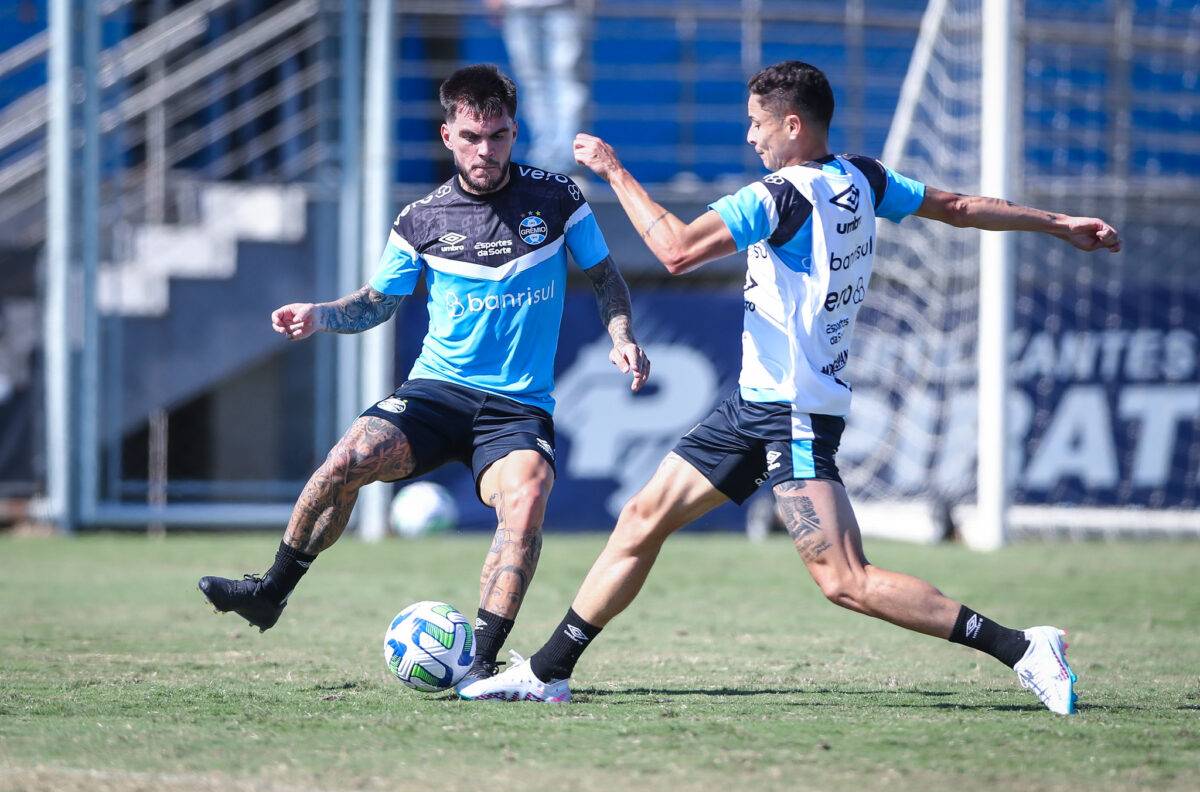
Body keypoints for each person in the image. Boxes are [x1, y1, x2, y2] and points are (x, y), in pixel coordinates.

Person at [460, 60, 1121, 713]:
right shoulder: (864, 176)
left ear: (793, 125)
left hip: (794, 414)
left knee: (844, 579)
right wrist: (1057, 223)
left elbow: (677, 250)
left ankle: (1023, 647)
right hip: (756, 406)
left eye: (757, 124)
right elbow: (957, 205)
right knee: (642, 517)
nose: (751, 138)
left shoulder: (778, 197)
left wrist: (613, 171)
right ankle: (548, 671)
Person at [198, 64, 649, 691]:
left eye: (497, 135)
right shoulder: (421, 220)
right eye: (471, 136)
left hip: (516, 406)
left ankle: (482, 664)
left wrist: (622, 336)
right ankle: (271, 590)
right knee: (344, 460)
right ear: (447, 136)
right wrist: (320, 314)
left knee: (527, 496)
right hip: (436, 391)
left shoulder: (558, 200)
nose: (485, 150)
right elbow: (379, 302)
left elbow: (606, 278)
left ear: (514, 132)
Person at [485, 0, 586, 175]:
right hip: (518, 7)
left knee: (565, 82)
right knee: (533, 85)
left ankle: (568, 164)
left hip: (563, 6)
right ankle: (545, 164)